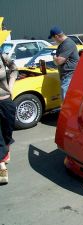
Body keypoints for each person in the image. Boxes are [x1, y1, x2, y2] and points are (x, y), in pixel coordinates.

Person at [0, 52, 18, 184]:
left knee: (7, 130)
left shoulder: (2, 56)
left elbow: (14, 68)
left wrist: (10, 86)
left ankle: (5, 149)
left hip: (5, 100)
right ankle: (1, 166)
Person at [48, 26, 79, 100]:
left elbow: (59, 61)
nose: (53, 40)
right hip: (67, 76)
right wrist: (56, 59)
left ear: (56, 36)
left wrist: (54, 58)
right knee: (67, 102)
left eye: (53, 38)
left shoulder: (67, 44)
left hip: (69, 76)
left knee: (66, 102)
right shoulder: (63, 44)